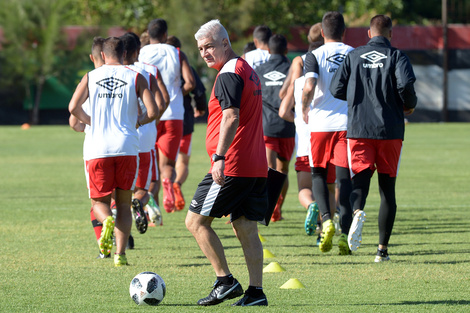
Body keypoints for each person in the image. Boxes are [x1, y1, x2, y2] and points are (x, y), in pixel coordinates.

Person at [185, 19, 268, 306]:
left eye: (209, 46)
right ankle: (256, 293)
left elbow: (231, 116)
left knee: (195, 222)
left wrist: (219, 156)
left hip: (233, 165)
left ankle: (225, 281)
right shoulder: (246, 69)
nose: (204, 53)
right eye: (200, 49)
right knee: (246, 227)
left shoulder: (229, 73)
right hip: (255, 164)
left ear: (225, 42)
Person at [329, 14, 417, 262]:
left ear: (369, 34)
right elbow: (406, 87)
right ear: (390, 33)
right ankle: (382, 251)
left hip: (359, 131)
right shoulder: (397, 56)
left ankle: (357, 210)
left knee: (360, 180)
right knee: (387, 190)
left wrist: (359, 95)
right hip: (390, 131)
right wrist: (408, 105)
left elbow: (336, 89)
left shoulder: (354, 55)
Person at [69, 36, 158, 267]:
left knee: (99, 202)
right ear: (124, 54)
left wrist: (92, 122)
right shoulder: (136, 76)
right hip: (128, 147)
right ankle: (120, 255)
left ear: (102, 55)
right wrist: (136, 123)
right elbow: (153, 109)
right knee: (125, 204)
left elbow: (72, 108)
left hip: (98, 148)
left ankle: (106, 221)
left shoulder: (90, 76)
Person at [301, 11, 354, 255]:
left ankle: (326, 219)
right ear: (344, 32)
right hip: (347, 125)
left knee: (319, 175)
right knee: (344, 179)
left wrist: (304, 109)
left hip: (320, 125)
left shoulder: (313, 55)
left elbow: (309, 86)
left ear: (322, 33)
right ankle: (345, 232)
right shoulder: (353, 53)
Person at [138, 18, 195, 213]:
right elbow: (190, 82)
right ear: (165, 35)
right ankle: (167, 183)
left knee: (150, 162)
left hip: (150, 115)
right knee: (168, 164)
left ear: (149, 33)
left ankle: (153, 211)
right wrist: (178, 93)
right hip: (174, 115)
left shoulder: (141, 53)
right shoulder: (177, 53)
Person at [121, 32, 166, 230]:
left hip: (120, 137)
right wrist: (149, 121)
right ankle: (140, 201)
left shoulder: (111, 72)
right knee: (145, 187)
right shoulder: (149, 72)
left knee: (120, 188)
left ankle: (123, 234)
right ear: (138, 50)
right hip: (145, 137)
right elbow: (161, 103)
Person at [279, 42, 323, 239]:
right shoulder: (331, 80)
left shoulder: (298, 83)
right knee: (330, 188)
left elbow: (283, 111)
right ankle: (327, 224)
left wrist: (297, 119)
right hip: (327, 141)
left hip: (304, 145)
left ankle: (311, 205)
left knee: (305, 189)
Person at [255, 34, 294, 222]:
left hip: (267, 127)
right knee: (283, 170)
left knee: (269, 170)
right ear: (286, 50)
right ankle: (277, 207)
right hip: (288, 126)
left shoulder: (259, 70)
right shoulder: (292, 70)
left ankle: (269, 208)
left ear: (268, 51)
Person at [166, 35, 207, 211]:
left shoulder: (157, 69)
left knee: (166, 163)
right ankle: (177, 183)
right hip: (185, 120)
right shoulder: (186, 68)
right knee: (183, 162)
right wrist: (201, 108)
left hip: (164, 120)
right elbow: (199, 90)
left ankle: (167, 187)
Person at [279, 23, 323, 100]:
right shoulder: (336, 57)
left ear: (308, 38)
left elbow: (291, 88)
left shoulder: (300, 60)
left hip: (307, 107)